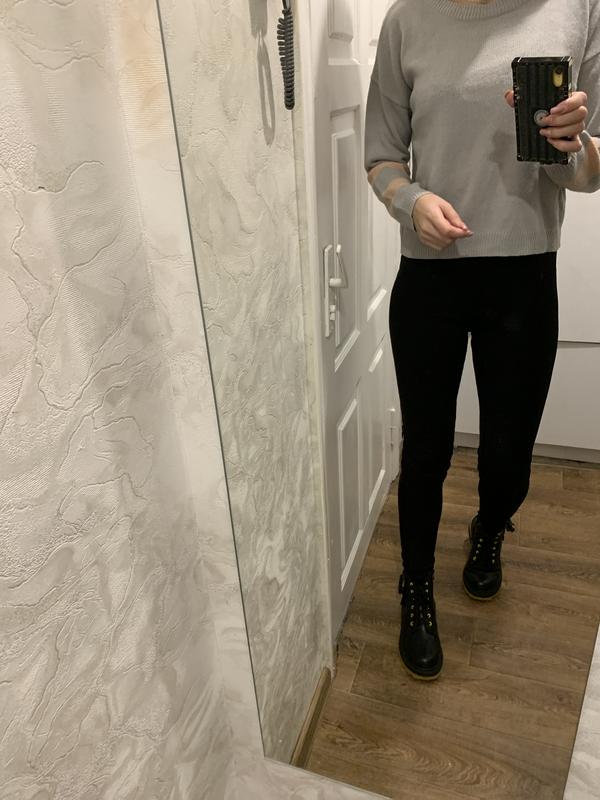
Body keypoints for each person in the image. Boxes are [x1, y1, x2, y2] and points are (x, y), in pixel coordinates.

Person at [364, 0, 600, 681]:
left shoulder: (576, 10)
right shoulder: (407, 21)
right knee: (426, 451)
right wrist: (411, 202)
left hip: (524, 275)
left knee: (508, 454)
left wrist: (571, 147)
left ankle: (490, 527)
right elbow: (382, 157)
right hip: (430, 276)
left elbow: (591, 173)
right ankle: (415, 586)